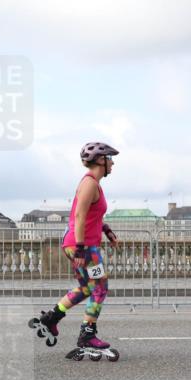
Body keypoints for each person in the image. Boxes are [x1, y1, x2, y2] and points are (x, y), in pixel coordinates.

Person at [35, 142, 120, 360]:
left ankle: (52, 318)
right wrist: (81, 250)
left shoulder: (94, 184)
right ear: (100, 160)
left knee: (86, 289)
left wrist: (106, 230)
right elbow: (80, 217)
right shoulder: (89, 183)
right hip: (83, 246)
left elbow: (91, 217)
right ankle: (87, 335)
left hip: (79, 244)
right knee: (100, 288)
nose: (112, 163)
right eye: (110, 158)